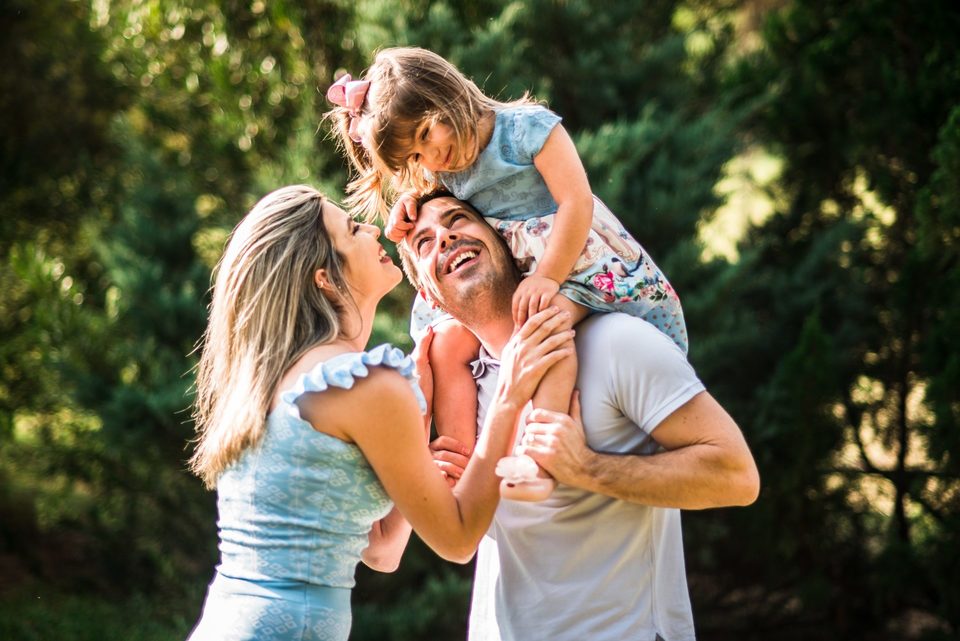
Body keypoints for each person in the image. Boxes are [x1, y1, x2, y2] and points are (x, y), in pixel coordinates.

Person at [185, 185, 574, 641]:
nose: (373, 229)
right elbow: (459, 539)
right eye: (352, 229)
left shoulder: (275, 379)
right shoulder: (361, 382)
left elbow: (383, 550)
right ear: (325, 278)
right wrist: (510, 392)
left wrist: (419, 420)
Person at [325, 46, 687, 502]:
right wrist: (405, 208)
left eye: (425, 134)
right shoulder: (446, 162)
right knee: (446, 343)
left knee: (544, 324)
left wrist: (549, 278)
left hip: (575, 261)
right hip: (519, 266)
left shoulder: (526, 130)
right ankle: (458, 463)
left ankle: (541, 457)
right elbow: (430, 195)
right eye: (417, 155)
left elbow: (579, 201)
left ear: (447, 94)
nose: (432, 157)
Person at [397, 194, 760, 641]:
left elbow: (737, 476)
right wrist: (448, 485)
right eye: (424, 242)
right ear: (429, 293)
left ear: (506, 241)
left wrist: (587, 468)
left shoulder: (617, 343)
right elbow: (461, 539)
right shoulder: (462, 389)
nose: (446, 237)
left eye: (458, 220)